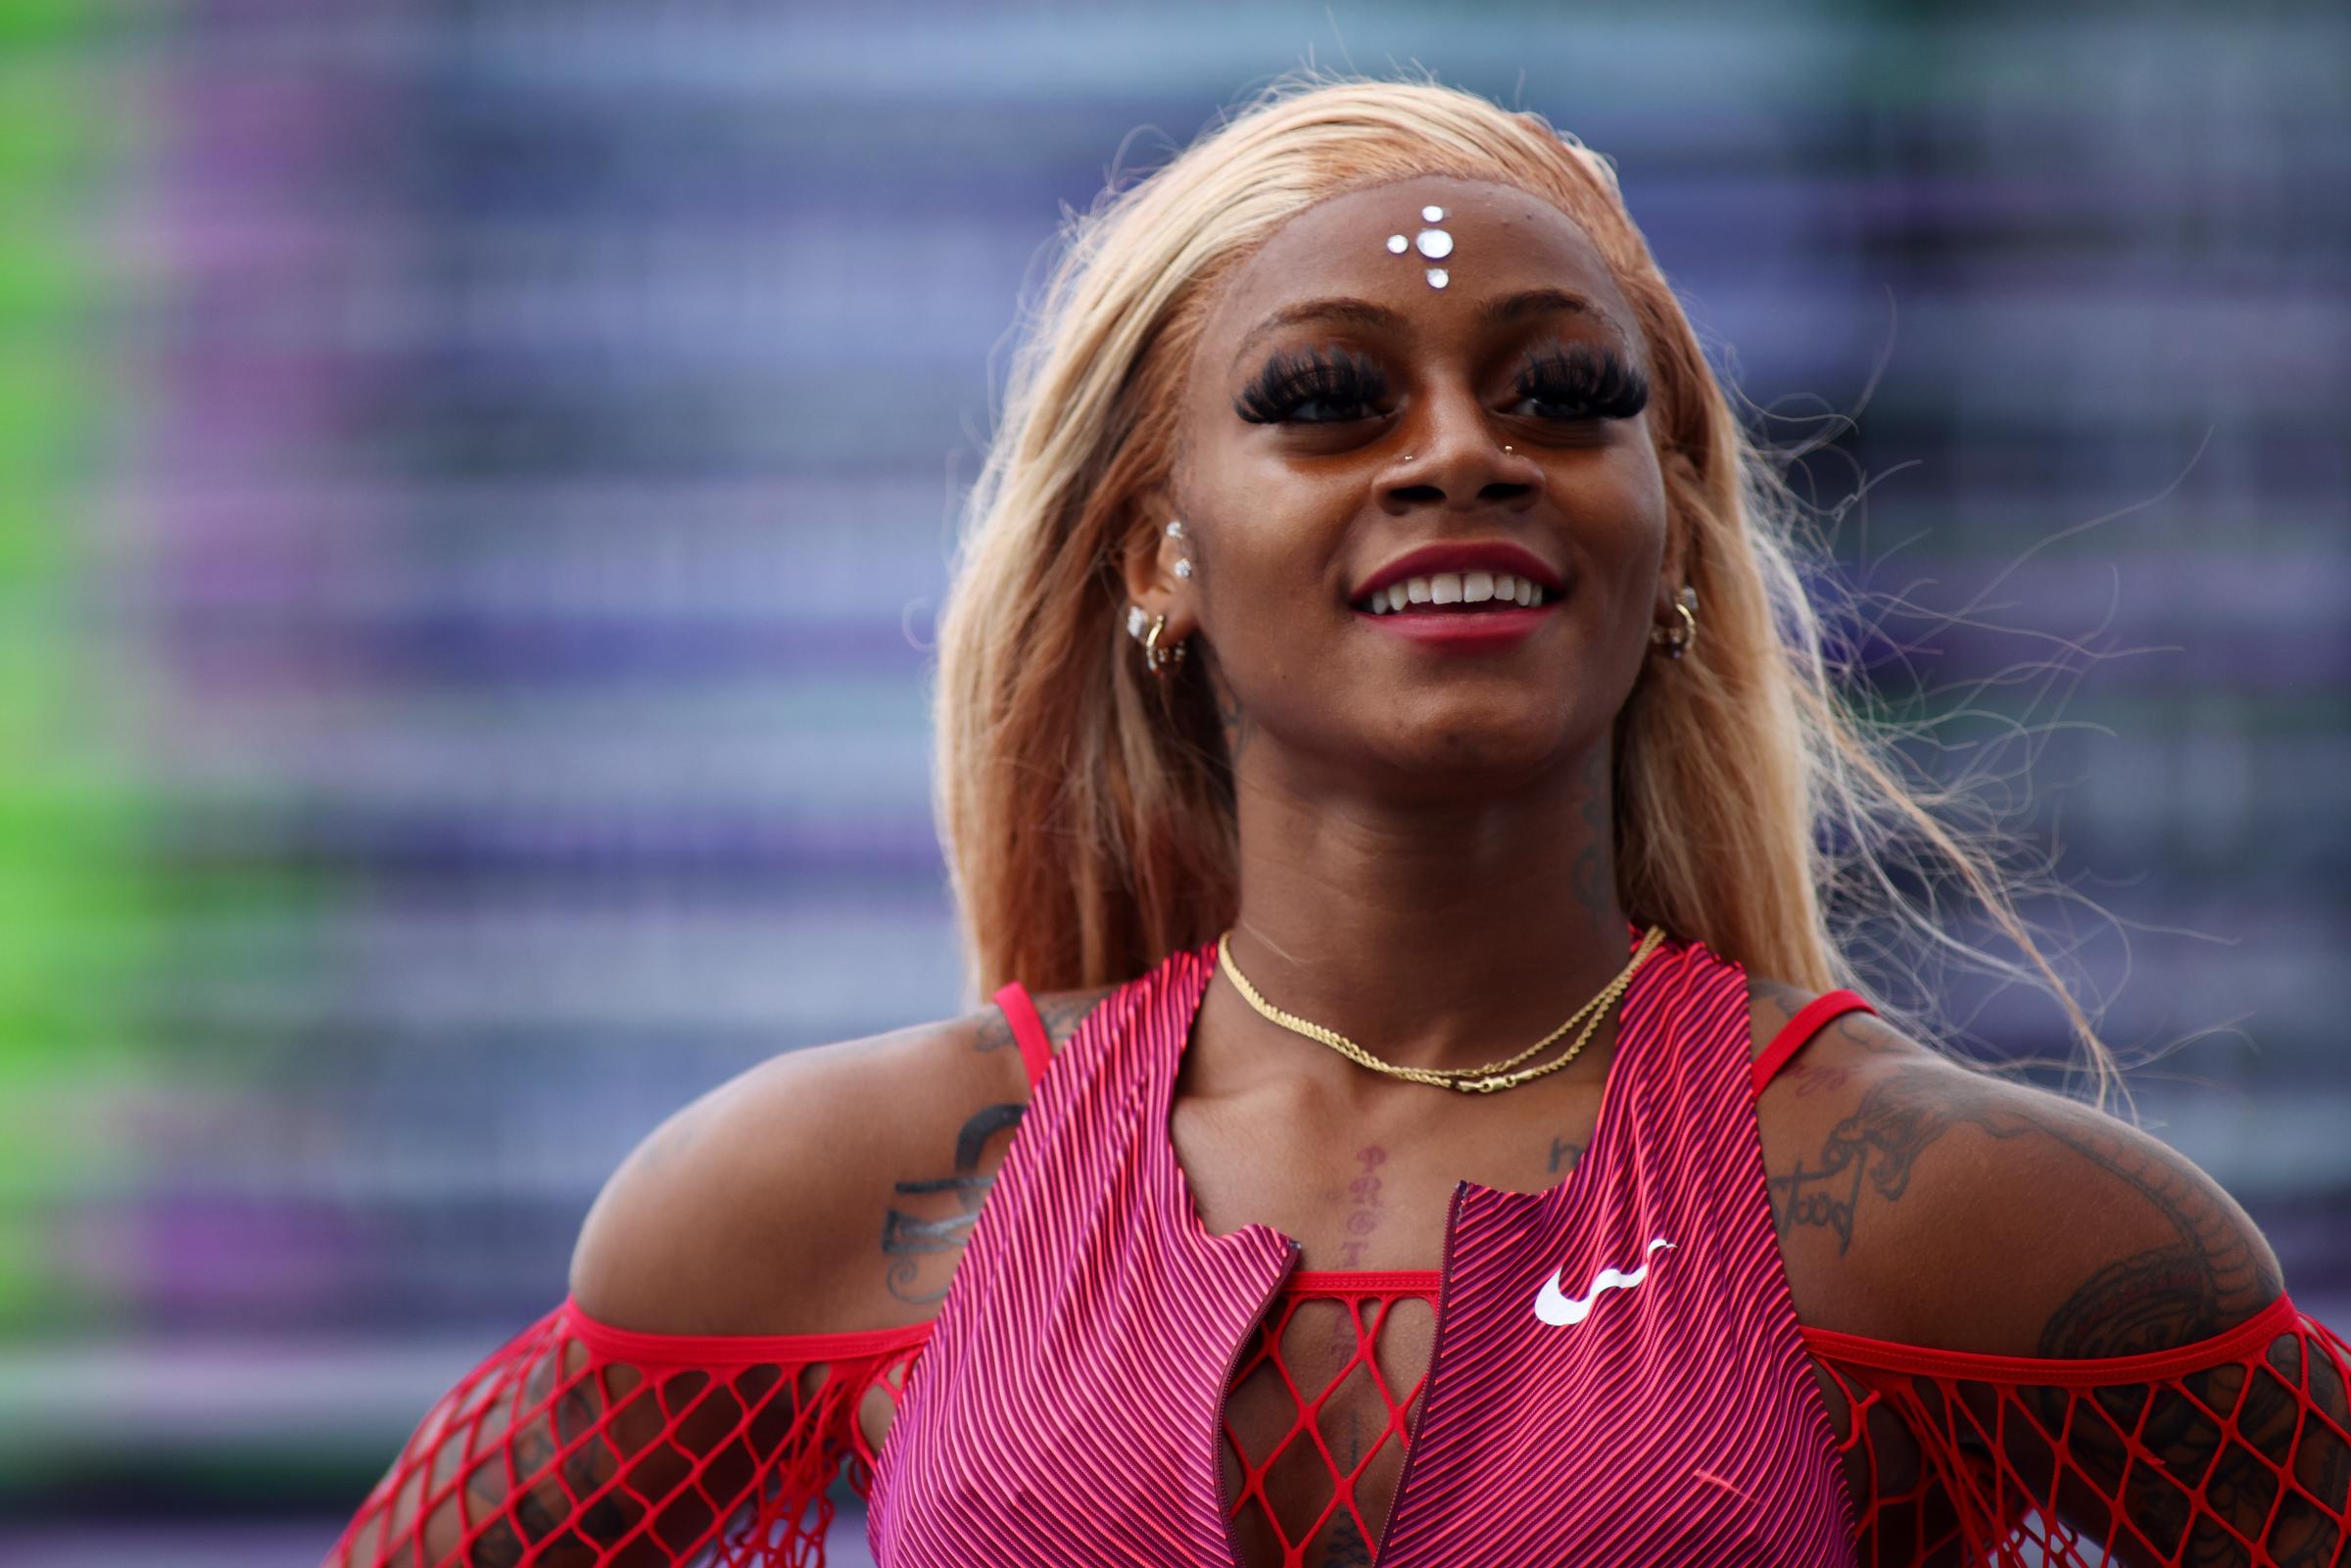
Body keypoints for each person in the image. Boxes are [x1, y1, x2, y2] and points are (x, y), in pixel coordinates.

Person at [320, 72, 2350, 1568]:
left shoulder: (1954, 1206)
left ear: (1672, 549)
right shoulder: (821, 1191)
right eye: (1325, 399)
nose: (1464, 452)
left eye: (1565, 394)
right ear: (1155, 554)